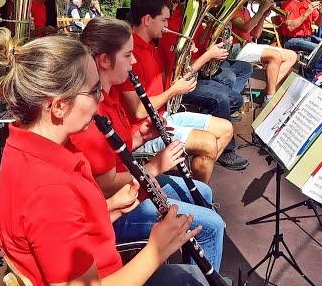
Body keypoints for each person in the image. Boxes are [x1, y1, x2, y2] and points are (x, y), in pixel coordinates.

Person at [0, 29, 216, 286]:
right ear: (59, 106)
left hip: (98, 273)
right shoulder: (48, 190)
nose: (100, 101)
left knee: (191, 278)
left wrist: (107, 210)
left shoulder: (28, 146)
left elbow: (53, 237)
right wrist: (157, 249)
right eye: (94, 91)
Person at [71, 17, 225, 272]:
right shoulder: (90, 110)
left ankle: (195, 272)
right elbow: (104, 184)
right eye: (128, 55)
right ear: (104, 60)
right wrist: (154, 167)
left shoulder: (109, 94)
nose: (134, 62)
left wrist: (139, 137)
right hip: (114, 209)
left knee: (204, 193)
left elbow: (116, 151)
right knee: (212, 226)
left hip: (132, 186)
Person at [117, 0, 233, 183]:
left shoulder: (152, 47)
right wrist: (173, 91)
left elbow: (174, 81)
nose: (167, 25)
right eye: (164, 20)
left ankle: (194, 183)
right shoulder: (130, 53)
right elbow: (138, 111)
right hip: (144, 130)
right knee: (207, 144)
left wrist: (198, 58)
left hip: (163, 118)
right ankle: (199, 196)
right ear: (147, 20)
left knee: (226, 128)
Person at [161, 0, 251, 170]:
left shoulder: (192, 23)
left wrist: (211, 36)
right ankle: (225, 151)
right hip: (177, 83)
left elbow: (199, 50)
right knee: (221, 98)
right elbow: (182, 70)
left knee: (235, 98)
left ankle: (208, 130)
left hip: (191, 78)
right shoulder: (173, 27)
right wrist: (209, 54)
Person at [230, 0, 298, 102]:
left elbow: (255, 34)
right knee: (274, 56)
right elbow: (245, 28)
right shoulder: (233, 10)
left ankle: (267, 91)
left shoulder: (245, 10)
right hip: (236, 48)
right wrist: (261, 10)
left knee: (292, 56)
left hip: (249, 45)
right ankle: (270, 98)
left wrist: (262, 16)